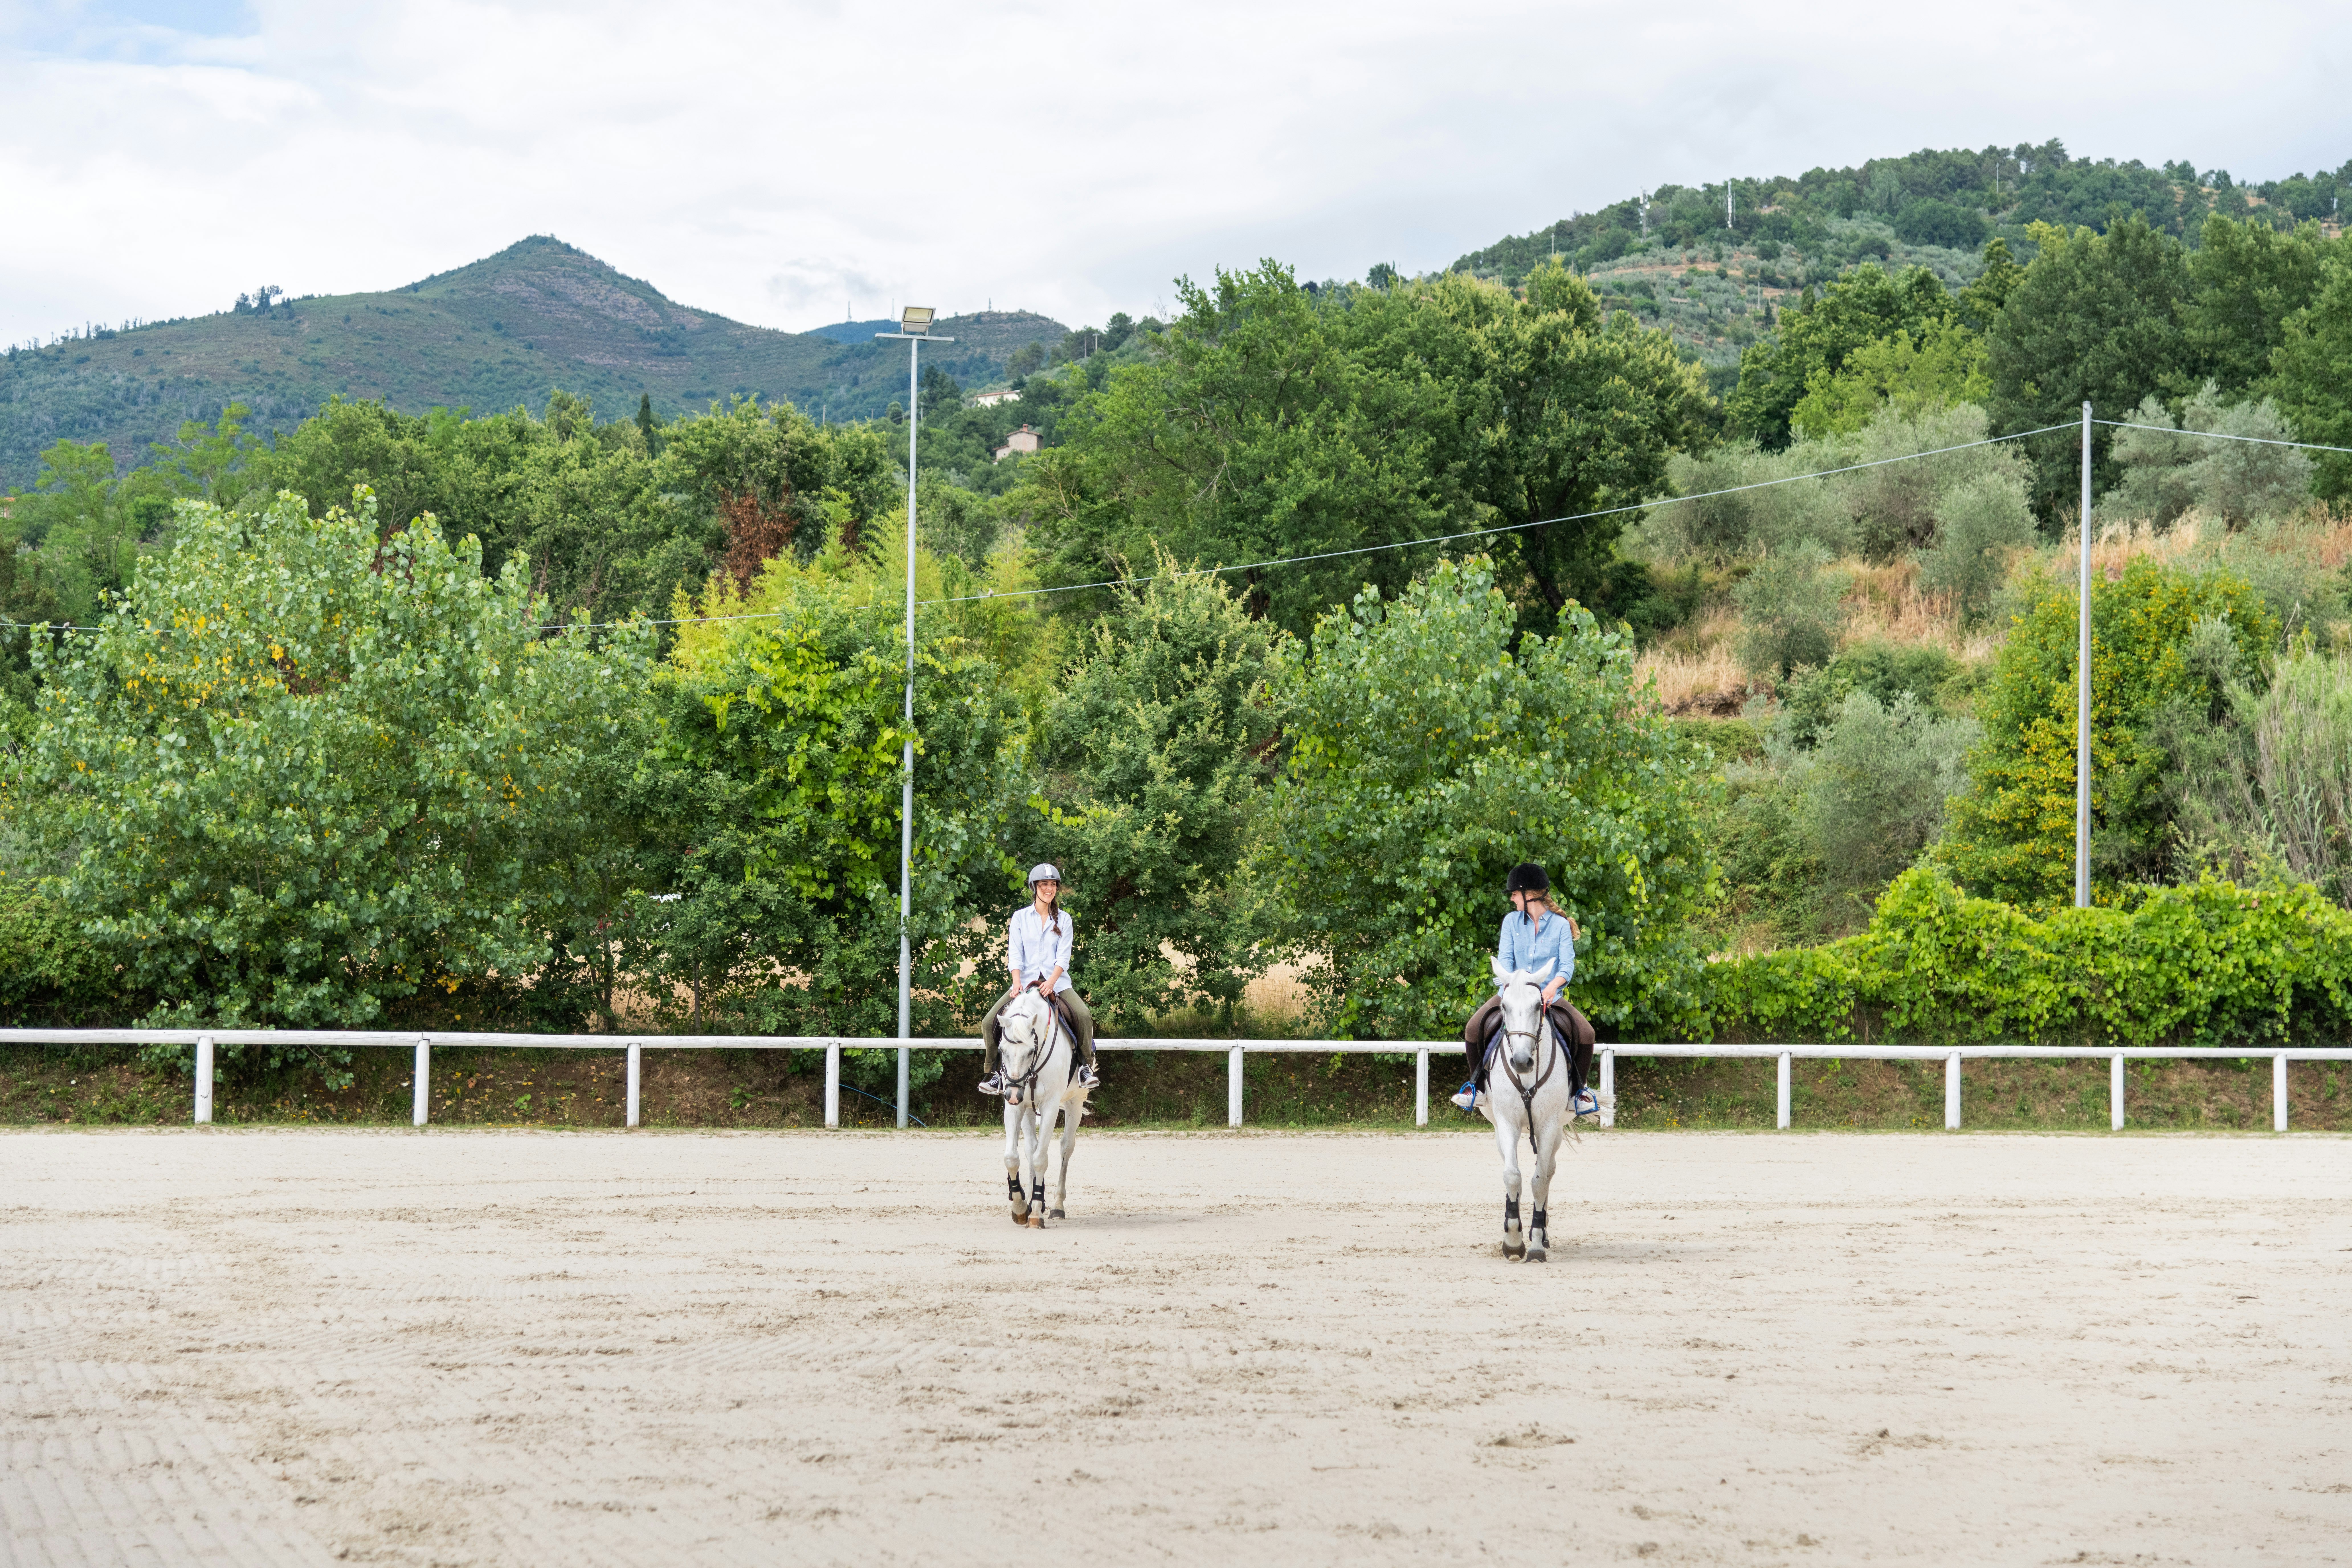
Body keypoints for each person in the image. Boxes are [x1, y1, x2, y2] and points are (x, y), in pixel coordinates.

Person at [1453, 863, 1599, 1116]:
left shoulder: (1561, 926)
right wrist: (1512, 987)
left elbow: (1567, 966)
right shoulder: (1511, 922)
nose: (1511, 899)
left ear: (1528, 895)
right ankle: (1476, 1090)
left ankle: (1579, 1093)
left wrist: (1553, 986)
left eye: (1514, 894)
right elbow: (1505, 961)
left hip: (1550, 996)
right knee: (1472, 1028)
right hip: (1514, 993)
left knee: (1587, 1034)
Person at [978, 863, 1099, 1095]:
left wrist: (1052, 982)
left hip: (1058, 983)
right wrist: (1016, 983)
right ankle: (993, 1073)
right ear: (1035, 887)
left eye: (1053, 885)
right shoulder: (1020, 917)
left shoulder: (1064, 920)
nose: (1049, 889)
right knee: (988, 1022)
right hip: (1025, 984)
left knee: (1083, 1015)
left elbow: (1063, 957)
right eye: (1044, 884)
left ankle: (1085, 1066)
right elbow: (1015, 953)